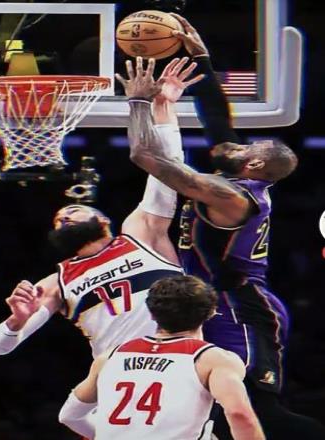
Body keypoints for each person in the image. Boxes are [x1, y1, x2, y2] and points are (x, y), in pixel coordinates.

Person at [116, 14, 325, 440]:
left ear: (255, 164)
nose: (233, 143)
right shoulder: (235, 175)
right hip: (213, 299)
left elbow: (144, 156)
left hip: (241, 307)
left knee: (256, 409)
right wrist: (203, 59)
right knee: (207, 404)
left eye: (247, 146)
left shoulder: (231, 196)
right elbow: (216, 117)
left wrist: (139, 102)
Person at [0, 59, 205, 360]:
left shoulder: (141, 235)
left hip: (181, 361)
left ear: (103, 219)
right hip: (117, 372)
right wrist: (16, 321)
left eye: (72, 211)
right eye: (60, 219)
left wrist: (164, 106)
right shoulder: (58, 281)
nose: (64, 216)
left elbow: (167, 170)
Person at [59, 275, 265, 440]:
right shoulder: (213, 359)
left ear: (151, 313)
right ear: (211, 313)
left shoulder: (110, 357)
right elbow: (239, 415)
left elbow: (69, 416)